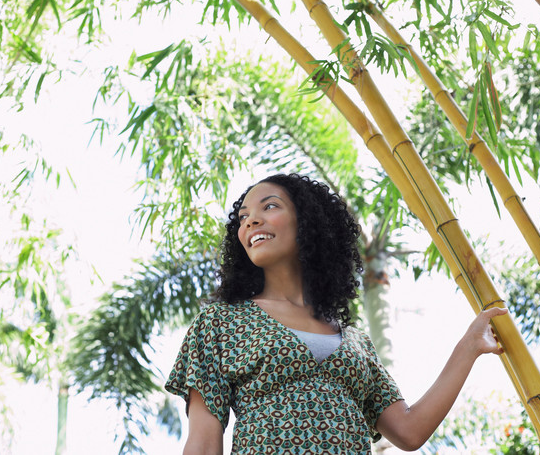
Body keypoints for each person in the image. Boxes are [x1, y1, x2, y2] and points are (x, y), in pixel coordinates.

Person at [165, 173, 506, 454]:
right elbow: (204, 443)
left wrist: (469, 347)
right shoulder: (221, 323)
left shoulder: (355, 340)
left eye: (269, 206)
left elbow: (409, 431)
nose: (251, 219)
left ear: (309, 222)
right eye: (242, 217)